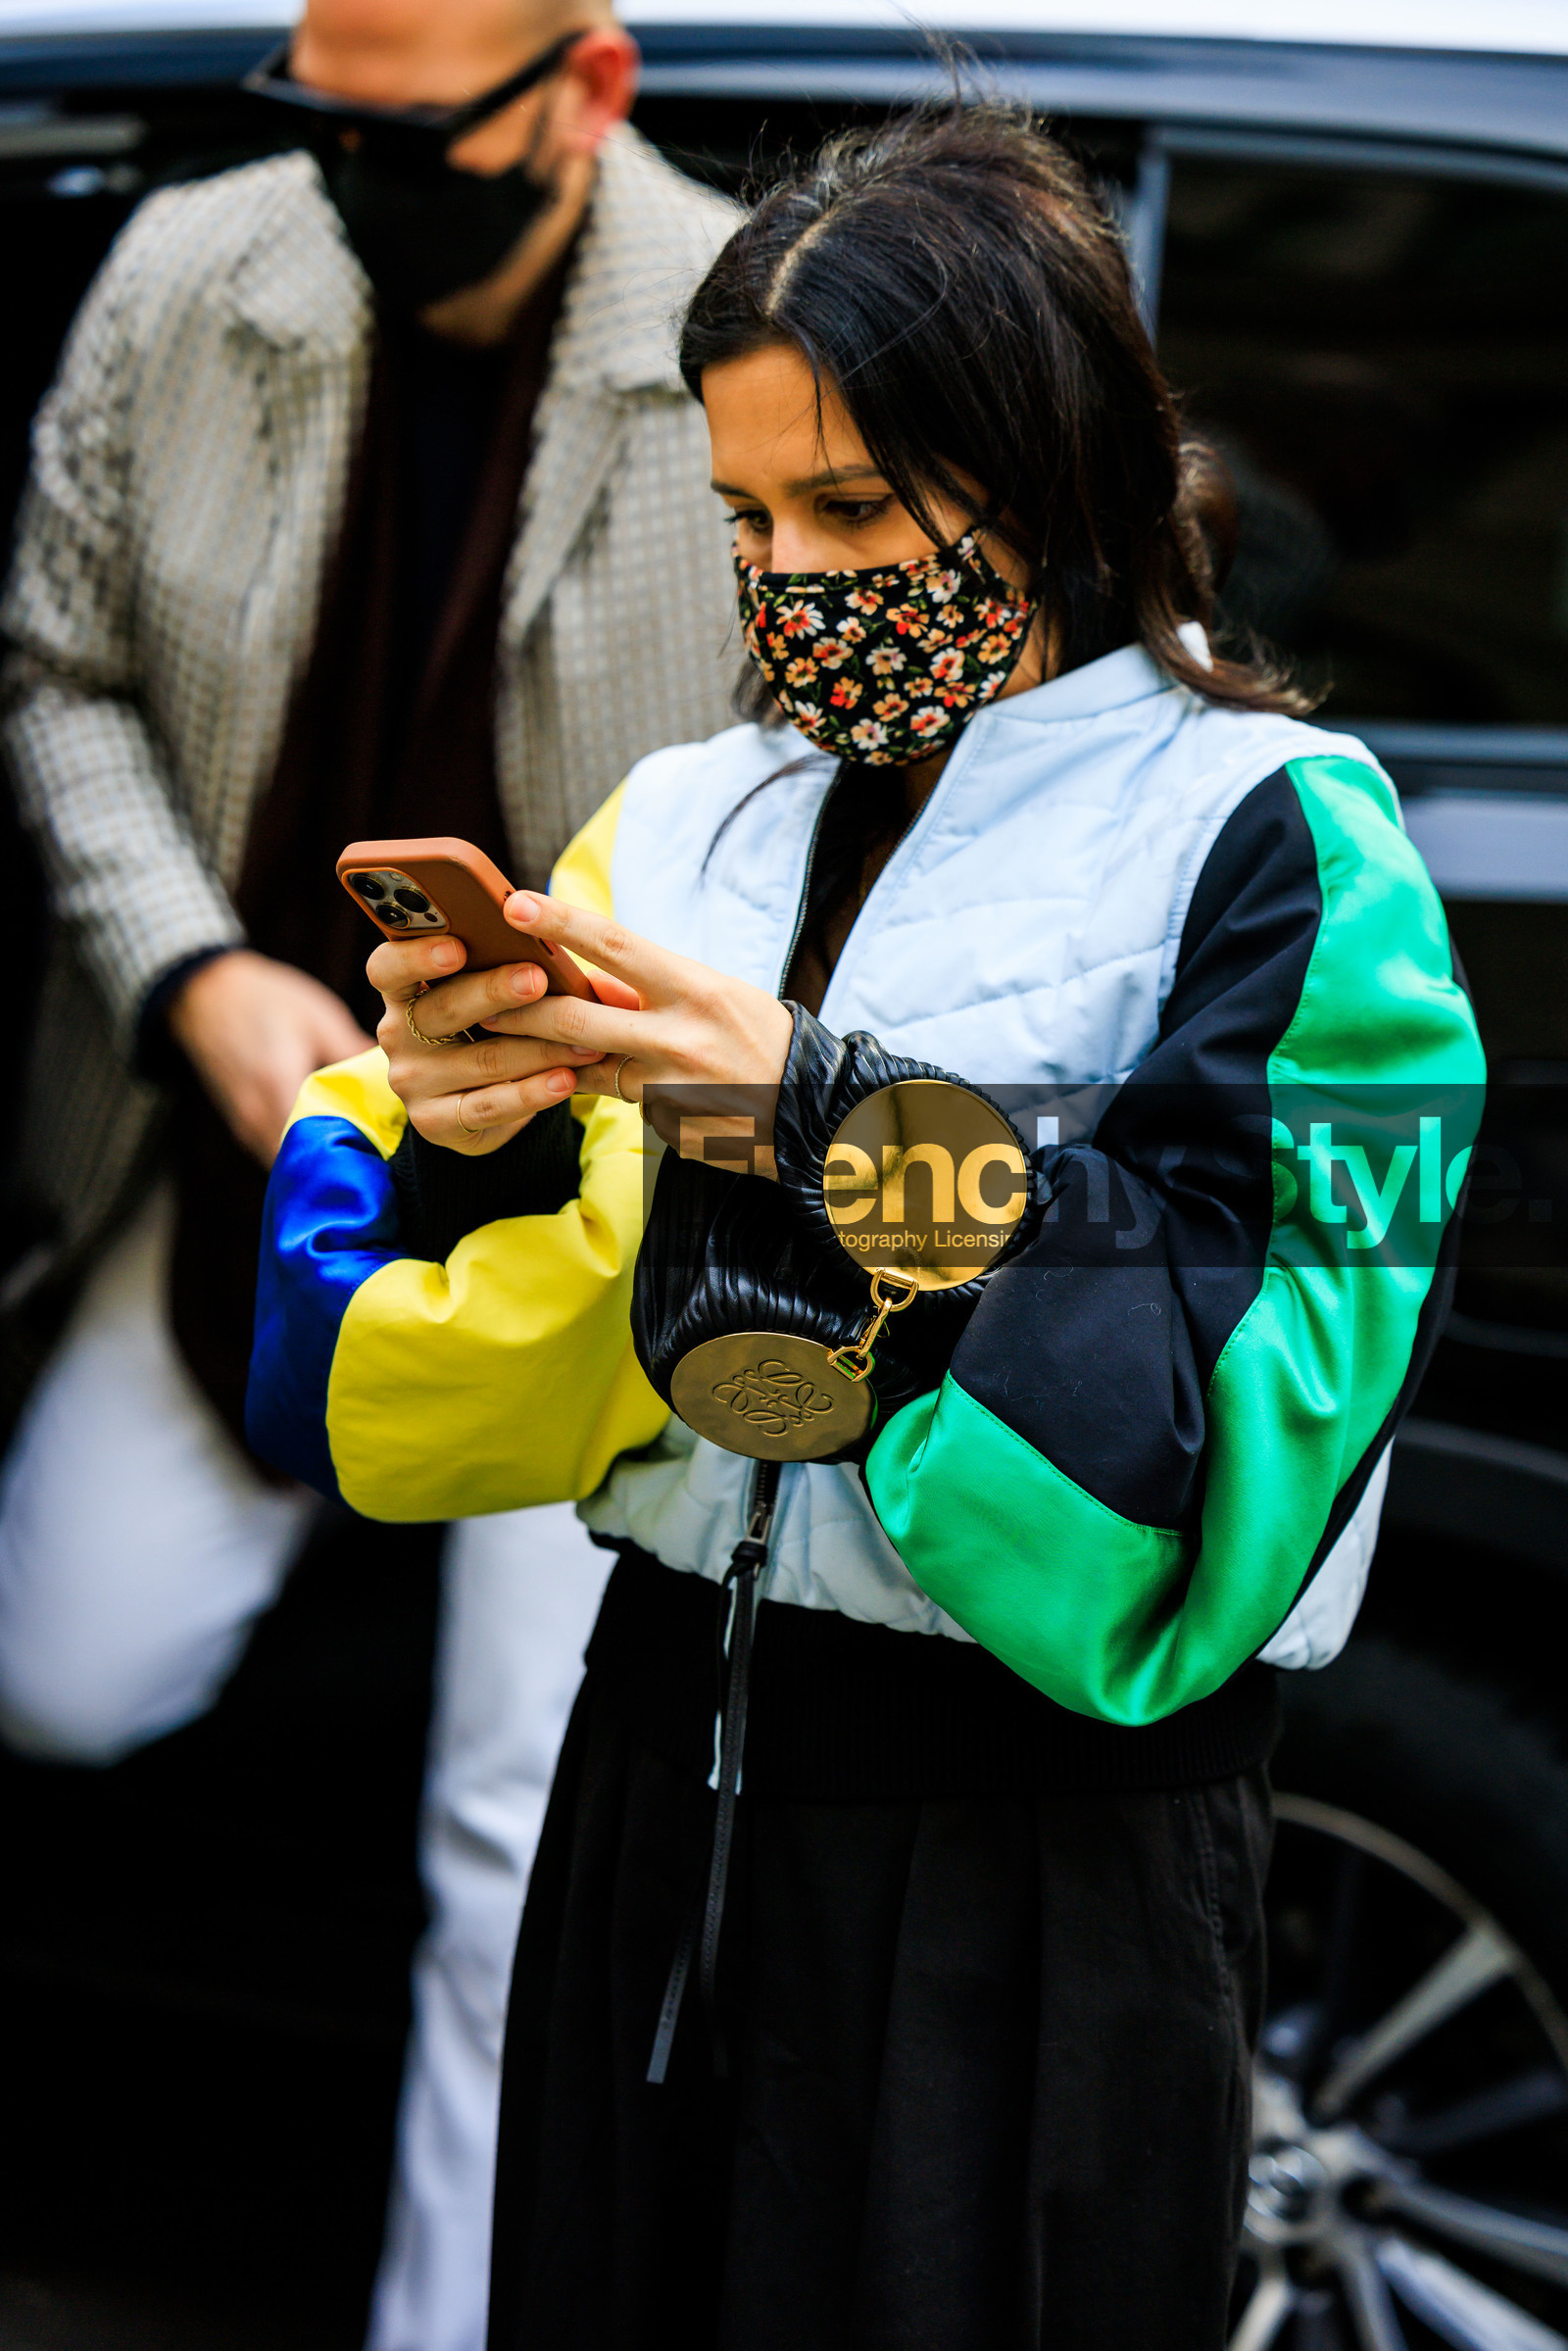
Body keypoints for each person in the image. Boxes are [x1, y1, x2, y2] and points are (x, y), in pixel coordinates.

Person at [248, 108, 1485, 2348]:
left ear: (1054, 481)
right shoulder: (686, 821)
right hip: (656, 1783)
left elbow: (1221, 1443)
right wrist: (462, 1127)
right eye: (745, 515)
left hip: (1040, 1862)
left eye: (853, 509)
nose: (793, 574)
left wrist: (827, 1122)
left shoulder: (1282, 840)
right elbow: (453, 1341)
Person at [0, 5, 737, 2346]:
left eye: (406, 136)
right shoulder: (191, 272)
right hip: (240, 1124)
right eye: (318, 120)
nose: (352, 174)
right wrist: (188, 977)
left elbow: (822, 817)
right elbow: (55, 670)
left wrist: (577, 1045)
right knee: (62, 1670)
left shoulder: (747, 347)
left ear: (588, 91)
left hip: (583, 1178)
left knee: (516, 1846)